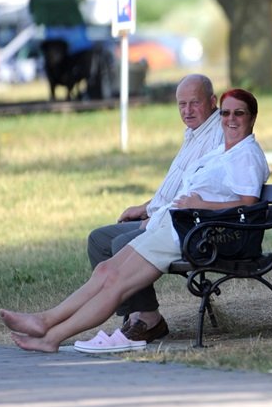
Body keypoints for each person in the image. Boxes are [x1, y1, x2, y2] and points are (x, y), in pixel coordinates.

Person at [0, 89, 269, 353]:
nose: (230, 119)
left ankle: (53, 337)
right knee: (106, 271)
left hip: (191, 232)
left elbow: (249, 205)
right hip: (172, 224)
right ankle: (44, 321)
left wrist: (202, 205)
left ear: (252, 117)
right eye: (225, 113)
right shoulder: (224, 151)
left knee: (117, 282)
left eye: (239, 113)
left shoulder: (247, 154)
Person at [84, 74, 222, 345]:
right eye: (182, 105)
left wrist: (157, 215)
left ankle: (147, 320)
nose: (187, 111)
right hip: (161, 215)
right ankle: (137, 315)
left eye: (194, 103)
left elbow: (195, 194)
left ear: (212, 101)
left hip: (188, 226)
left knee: (123, 242)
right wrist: (146, 207)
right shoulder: (194, 133)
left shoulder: (217, 135)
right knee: (99, 240)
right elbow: (175, 187)